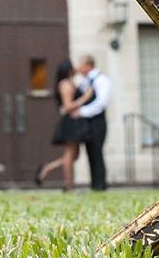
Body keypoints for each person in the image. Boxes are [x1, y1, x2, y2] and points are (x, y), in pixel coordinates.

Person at [35, 59, 93, 191]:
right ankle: (68, 185)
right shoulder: (65, 84)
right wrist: (85, 98)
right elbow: (67, 106)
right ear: (68, 70)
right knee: (69, 155)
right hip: (70, 122)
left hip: (74, 121)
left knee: (74, 155)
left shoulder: (70, 82)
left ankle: (46, 169)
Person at [62, 54, 111, 191]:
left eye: (81, 65)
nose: (79, 68)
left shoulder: (101, 79)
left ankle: (100, 184)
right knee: (90, 152)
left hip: (97, 122)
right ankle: (94, 184)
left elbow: (101, 102)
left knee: (97, 151)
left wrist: (82, 112)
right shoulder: (86, 81)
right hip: (87, 123)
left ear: (89, 66)